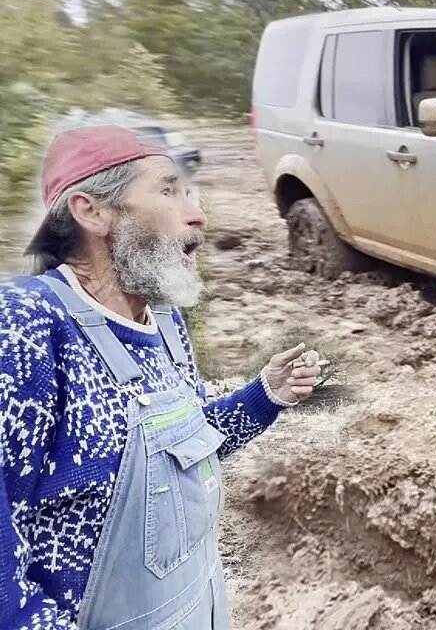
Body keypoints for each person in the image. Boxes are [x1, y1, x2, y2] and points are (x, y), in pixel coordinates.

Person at [0, 126, 323, 629]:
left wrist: (263, 398)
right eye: (169, 191)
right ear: (93, 212)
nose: (198, 214)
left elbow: (182, 457)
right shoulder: (26, 325)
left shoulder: (165, 321)